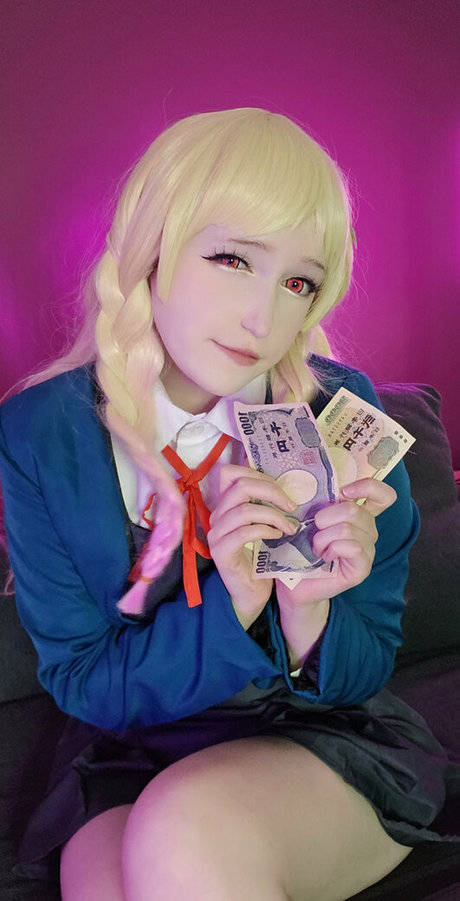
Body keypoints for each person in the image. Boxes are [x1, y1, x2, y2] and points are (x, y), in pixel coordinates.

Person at [0, 108, 455, 901]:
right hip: (131, 747)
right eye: (232, 258)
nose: (262, 318)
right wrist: (236, 599)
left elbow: (364, 665)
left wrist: (309, 609)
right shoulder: (41, 434)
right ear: (154, 246)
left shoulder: (343, 417)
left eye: (298, 282)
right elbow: (84, 678)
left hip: (319, 737)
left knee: (186, 833)